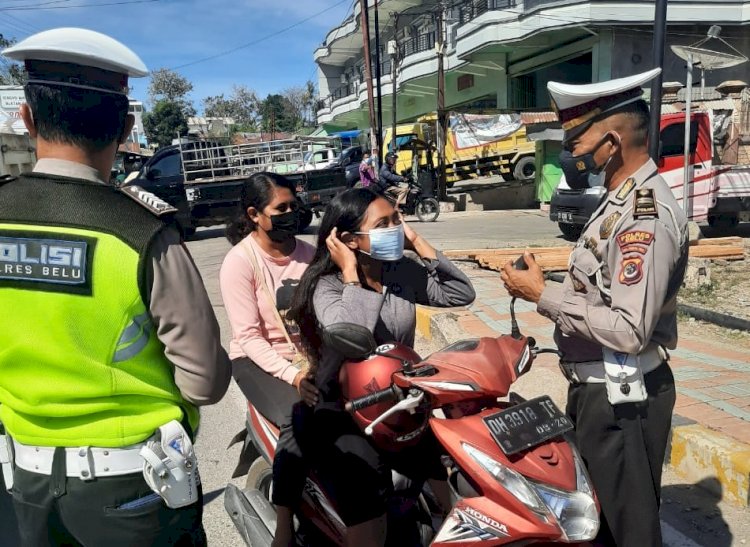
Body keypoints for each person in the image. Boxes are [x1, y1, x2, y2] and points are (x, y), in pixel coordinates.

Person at [0, 28, 232, 546]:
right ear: (126, 126)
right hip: (134, 494)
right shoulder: (143, 231)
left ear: (28, 118)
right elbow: (205, 383)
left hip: (22, 484)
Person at [500, 68, 688, 547]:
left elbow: (629, 328)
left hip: (623, 397)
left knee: (630, 532)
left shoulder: (643, 215)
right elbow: (605, 289)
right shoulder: (616, 201)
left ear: (611, 141)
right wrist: (549, 283)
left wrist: (541, 294)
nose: (572, 155)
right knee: (594, 527)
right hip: (598, 392)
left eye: (576, 142)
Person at [287, 188, 476, 547]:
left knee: (454, 489)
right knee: (369, 515)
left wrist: (417, 242)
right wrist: (351, 276)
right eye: (383, 224)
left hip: (400, 404)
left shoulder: (400, 272)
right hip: (344, 412)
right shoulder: (325, 287)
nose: (396, 229)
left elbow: (460, 294)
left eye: (396, 220)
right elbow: (352, 337)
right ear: (348, 240)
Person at [219, 171, 318, 547]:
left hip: (308, 357)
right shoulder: (239, 262)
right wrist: (294, 376)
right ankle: (284, 525)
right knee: (297, 417)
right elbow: (248, 336)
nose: (291, 213)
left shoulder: (310, 254)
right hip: (256, 361)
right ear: (255, 215)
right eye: (281, 208)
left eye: (294, 205)